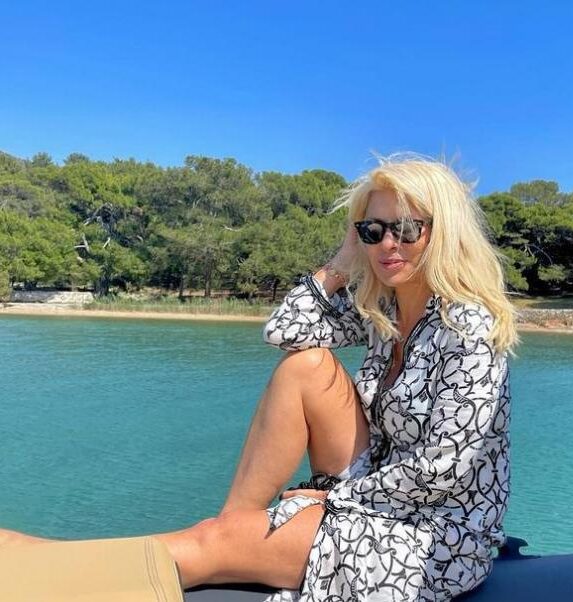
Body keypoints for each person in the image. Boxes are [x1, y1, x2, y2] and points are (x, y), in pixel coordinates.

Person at [0, 156, 517, 601]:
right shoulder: (384, 308)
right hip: (376, 487)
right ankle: (232, 530)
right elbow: (285, 331)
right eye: (371, 230)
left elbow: (441, 471)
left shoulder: (469, 328)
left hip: (437, 535)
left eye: (405, 229)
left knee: (211, 544)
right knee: (305, 366)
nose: (387, 244)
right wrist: (342, 261)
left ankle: (44, 569)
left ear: (442, 232)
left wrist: (333, 500)